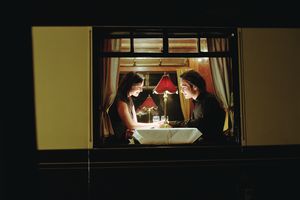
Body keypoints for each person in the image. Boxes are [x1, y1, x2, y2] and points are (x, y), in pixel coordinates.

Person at [168, 70, 226, 144]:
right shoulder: (198, 102)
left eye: (184, 87)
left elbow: (199, 124)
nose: (182, 91)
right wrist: (172, 123)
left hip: (211, 146)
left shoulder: (209, 100)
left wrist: (173, 123)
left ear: (195, 87)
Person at [108, 72, 162, 144]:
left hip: (125, 138)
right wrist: (154, 125)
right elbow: (131, 125)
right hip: (117, 140)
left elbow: (134, 123)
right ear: (131, 85)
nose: (141, 90)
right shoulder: (120, 99)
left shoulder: (129, 99)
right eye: (139, 87)